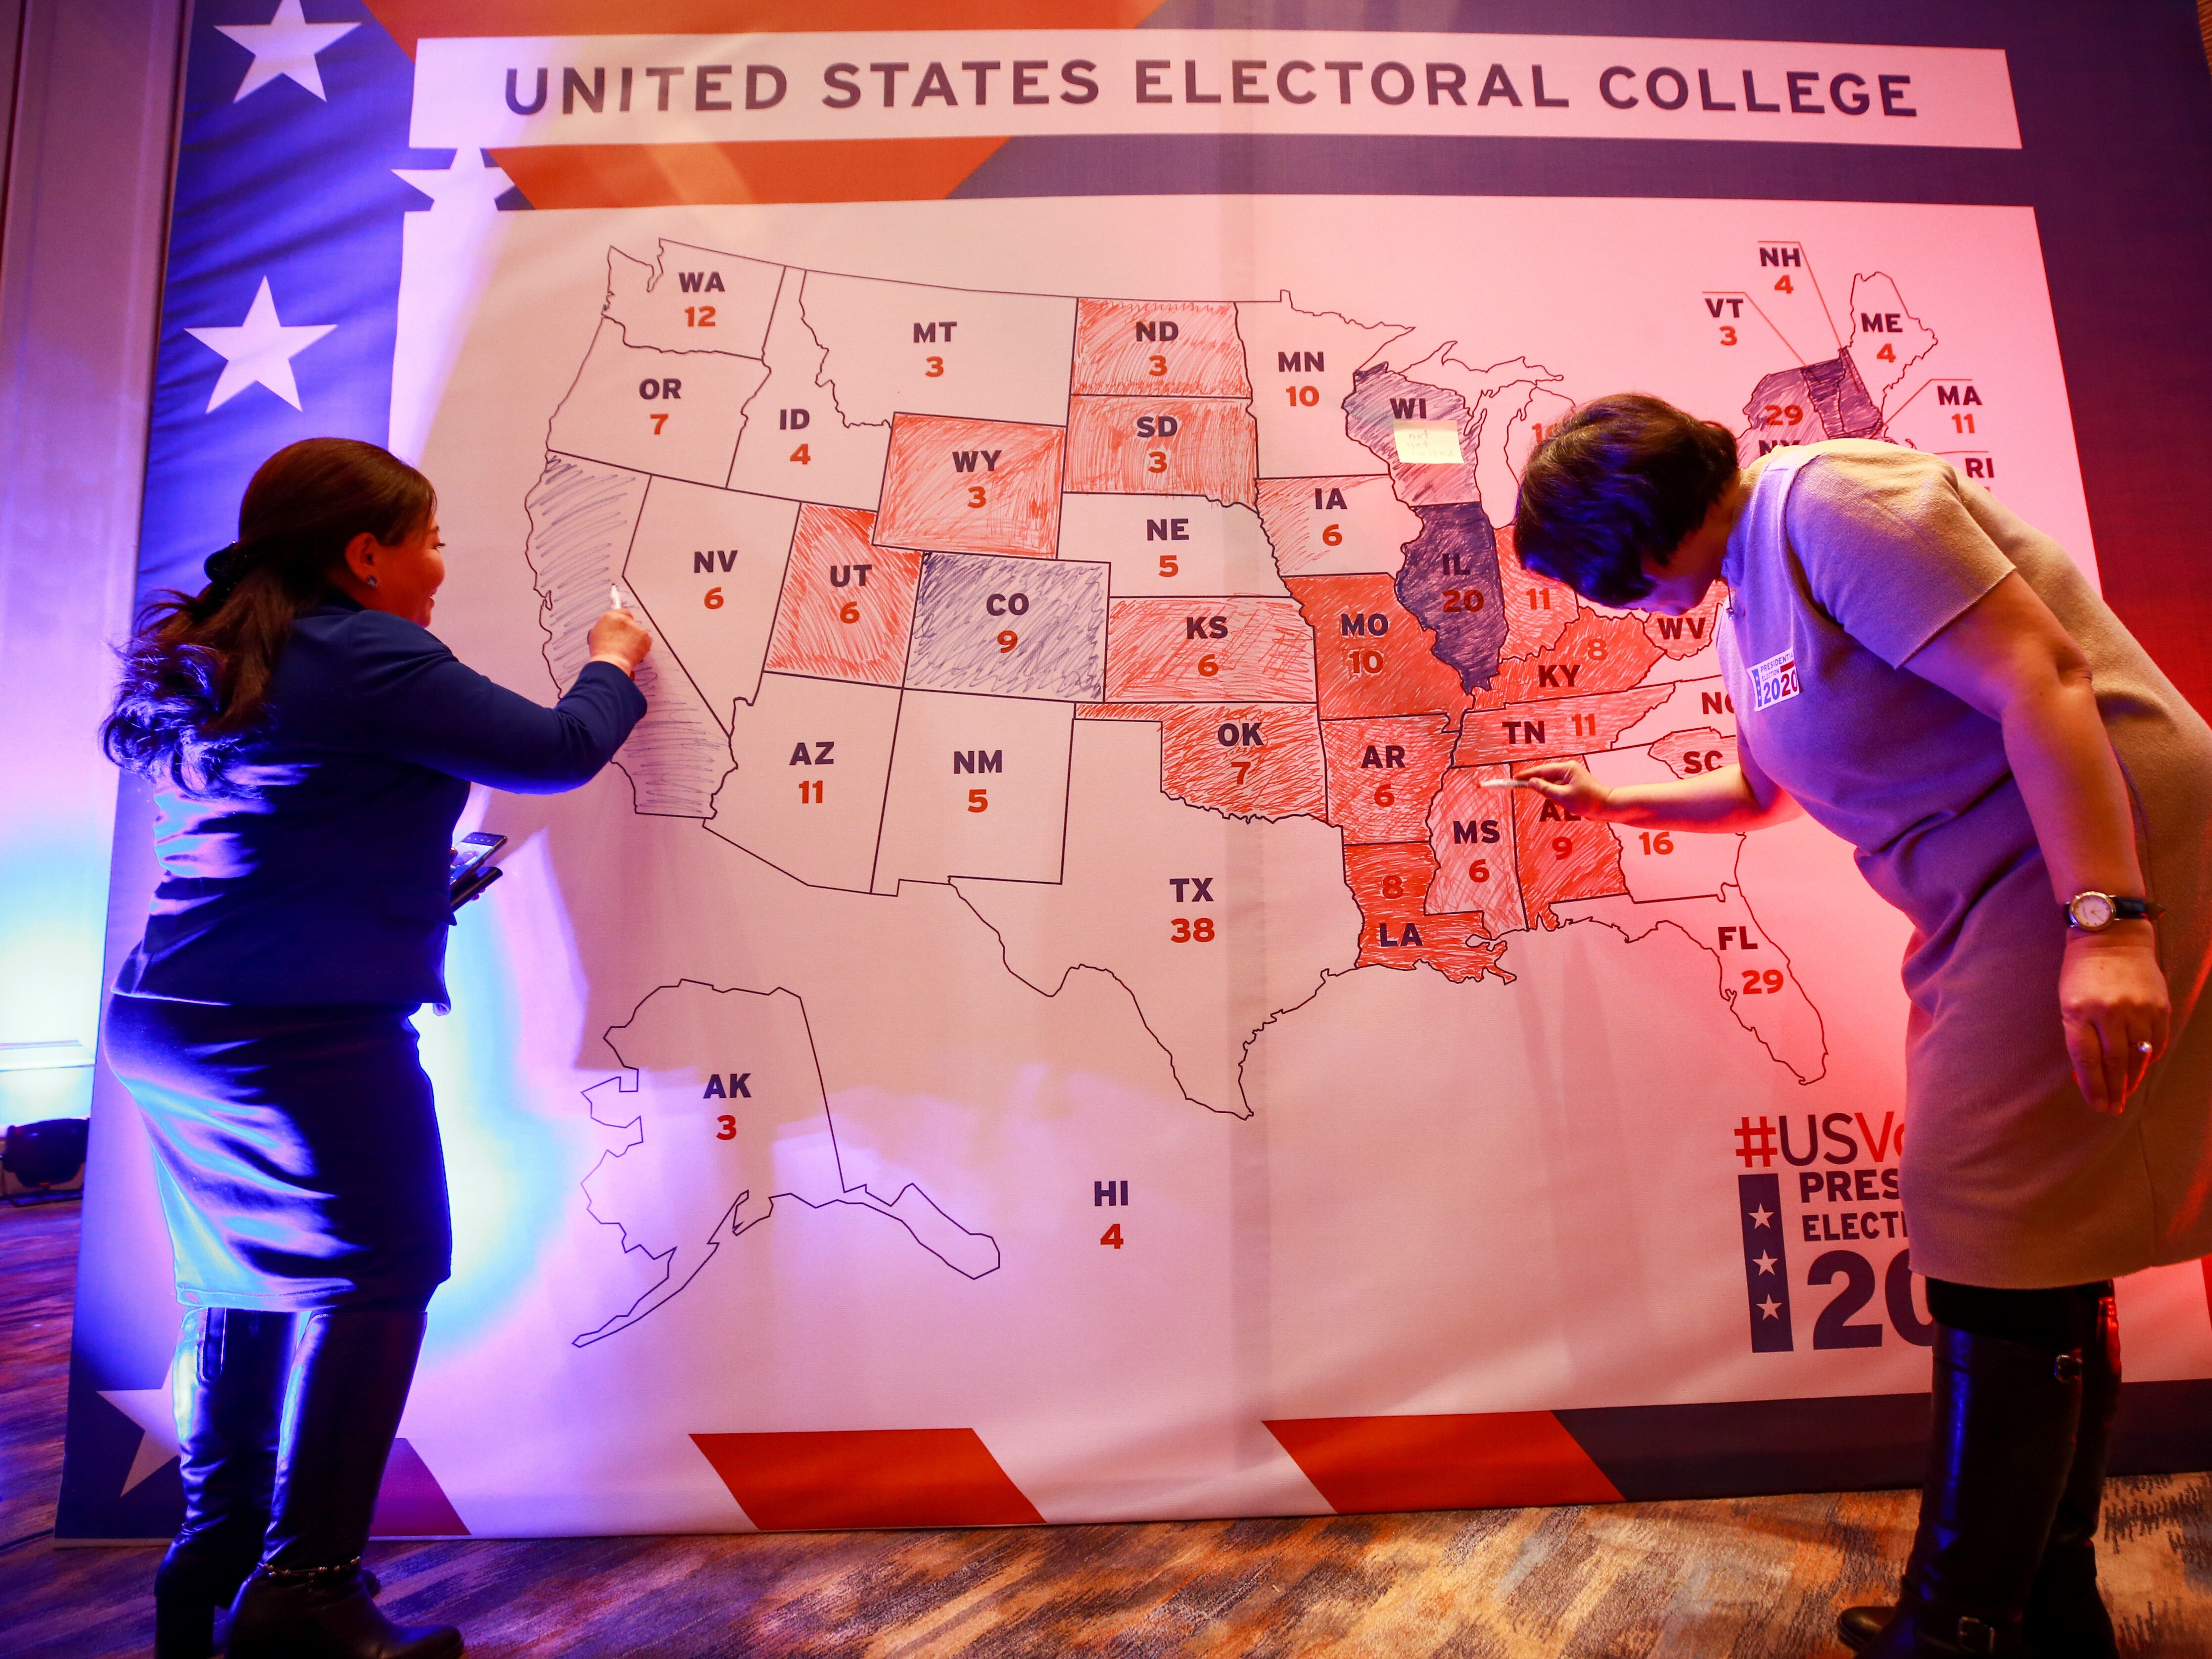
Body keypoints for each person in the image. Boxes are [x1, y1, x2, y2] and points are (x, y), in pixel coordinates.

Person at [1510, 395, 2212, 1659]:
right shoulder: (1747, 594)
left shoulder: (1829, 502)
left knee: (1992, 1220)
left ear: (1625, 535)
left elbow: (2042, 677)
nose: (1605, 610)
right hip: (1986, 893)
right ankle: (2036, 1612)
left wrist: (2108, 924)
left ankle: (1965, 1628)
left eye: (1594, 582)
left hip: (2081, 861)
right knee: (2020, 1232)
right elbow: (1760, 790)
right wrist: (1618, 801)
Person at [100, 438, 653, 1659]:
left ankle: (220, 1562)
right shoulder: (367, 649)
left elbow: (285, 826)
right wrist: (615, 664)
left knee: (240, 1286)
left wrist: (412, 889)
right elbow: (555, 749)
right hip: (299, 1041)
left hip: (178, 1027)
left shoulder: (226, 645)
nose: (439, 569)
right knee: (385, 1270)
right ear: (367, 555)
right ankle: (309, 1591)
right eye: (430, 540)